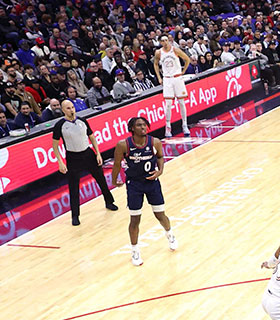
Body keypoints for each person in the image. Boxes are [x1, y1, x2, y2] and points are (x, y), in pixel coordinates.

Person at [110, 116, 176, 267]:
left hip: (152, 183)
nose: (143, 127)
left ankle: (169, 233)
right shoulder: (123, 145)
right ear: (132, 128)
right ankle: (134, 250)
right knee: (135, 220)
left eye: (145, 125)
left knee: (160, 214)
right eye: (139, 125)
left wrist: (160, 171)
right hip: (134, 185)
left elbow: (160, 157)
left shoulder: (155, 142)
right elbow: (117, 164)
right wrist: (114, 181)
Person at [51, 99, 118, 226]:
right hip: (72, 157)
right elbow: (55, 145)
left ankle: (109, 202)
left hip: (88, 153)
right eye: (68, 108)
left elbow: (92, 136)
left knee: (101, 179)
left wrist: (98, 153)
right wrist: (60, 162)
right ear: (63, 110)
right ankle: (75, 215)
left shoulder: (82, 121)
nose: (72, 110)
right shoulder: (60, 125)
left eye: (72, 107)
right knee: (74, 187)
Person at [153, 34, 191, 138]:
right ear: (160, 42)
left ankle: (184, 125)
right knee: (168, 104)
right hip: (167, 79)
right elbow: (155, 64)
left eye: (166, 40)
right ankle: (168, 127)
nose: (165, 42)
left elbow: (187, 59)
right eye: (163, 41)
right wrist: (159, 77)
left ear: (169, 41)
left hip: (177, 78)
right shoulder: (158, 52)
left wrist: (183, 71)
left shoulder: (175, 50)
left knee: (181, 103)